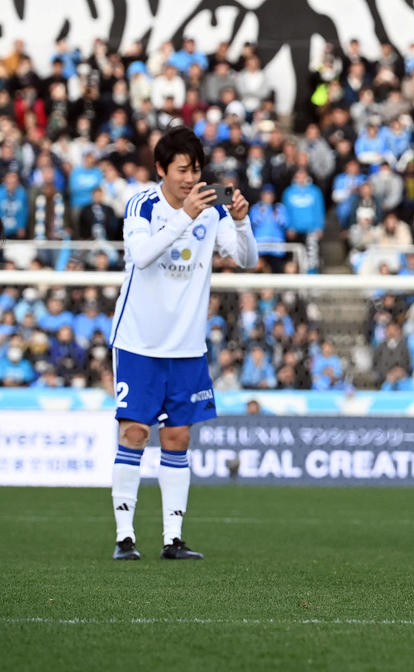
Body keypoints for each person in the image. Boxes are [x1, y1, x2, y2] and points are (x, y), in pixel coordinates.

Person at [109, 127, 258, 560]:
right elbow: (141, 255)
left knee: (177, 437)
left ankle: (172, 538)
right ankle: (124, 537)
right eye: (182, 170)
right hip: (139, 340)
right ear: (161, 169)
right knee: (135, 431)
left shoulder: (211, 211)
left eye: (196, 169)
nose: (191, 179)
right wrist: (184, 217)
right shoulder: (142, 204)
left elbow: (246, 259)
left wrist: (242, 221)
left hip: (187, 345)